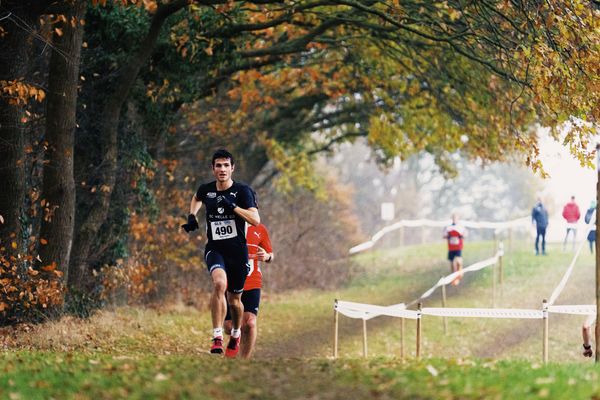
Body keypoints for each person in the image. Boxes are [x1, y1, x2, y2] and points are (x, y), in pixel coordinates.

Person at [182, 149, 260, 358]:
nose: (222, 169)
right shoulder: (207, 190)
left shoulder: (243, 191)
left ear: (232, 168)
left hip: (238, 253)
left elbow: (255, 220)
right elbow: (196, 197)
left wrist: (233, 207)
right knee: (219, 284)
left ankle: (235, 334)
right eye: (218, 165)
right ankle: (217, 336)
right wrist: (192, 216)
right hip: (215, 249)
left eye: (226, 165)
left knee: (235, 301)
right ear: (213, 168)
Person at [224, 223, 273, 359]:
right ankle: (235, 340)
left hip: (252, 282)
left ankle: (244, 360)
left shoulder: (260, 229)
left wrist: (267, 256)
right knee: (229, 326)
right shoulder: (228, 224)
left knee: (250, 323)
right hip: (230, 281)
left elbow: (271, 255)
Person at [443, 213, 467, 286]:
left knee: (458, 261)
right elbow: (444, 235)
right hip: (451, 247)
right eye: (453, 218)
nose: (454, 219)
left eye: (456, 218)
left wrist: (461, 236)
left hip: (458, 247)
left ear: (458, 219)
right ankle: (454, 278)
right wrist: (448, 236)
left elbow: (465, 234)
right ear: (452, 219)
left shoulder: (461, 227)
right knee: (452, 263)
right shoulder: (448, 227)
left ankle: (460, 273)